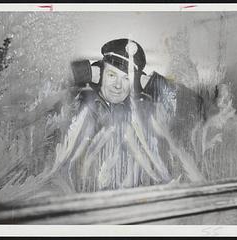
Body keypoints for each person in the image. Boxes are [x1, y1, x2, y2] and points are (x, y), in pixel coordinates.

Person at [63, 38, 205, 193]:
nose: (118, 85)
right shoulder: (81, 102)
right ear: (99, 74)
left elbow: (197, 108)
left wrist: (151, 83)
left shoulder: (140, 109)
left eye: (126, 78)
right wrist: (84, 72)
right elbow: (49, 87)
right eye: (112, 75)